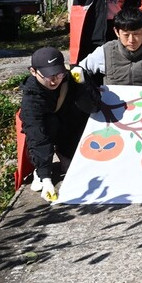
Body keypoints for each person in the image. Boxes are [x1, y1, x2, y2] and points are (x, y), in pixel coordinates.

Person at [21, 47, 102, 202]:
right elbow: (37, 136)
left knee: (78, 113)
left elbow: (94, 107)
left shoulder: (71, 75)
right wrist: (46, 178)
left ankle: (65, 153)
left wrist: (83, 84)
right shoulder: (31, 97)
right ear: (33, 71)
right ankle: (40, 170)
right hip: (49, 129)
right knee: (48, 123)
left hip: (70, 126)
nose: (54, 80)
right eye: (48, 76)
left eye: (58, 74)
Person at [74, 7, 142, 87]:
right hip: (113, 105)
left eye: (136, 34)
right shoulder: (106, 51)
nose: (131, 40)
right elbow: (80, 70)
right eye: (126, 35)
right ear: (116, 32)